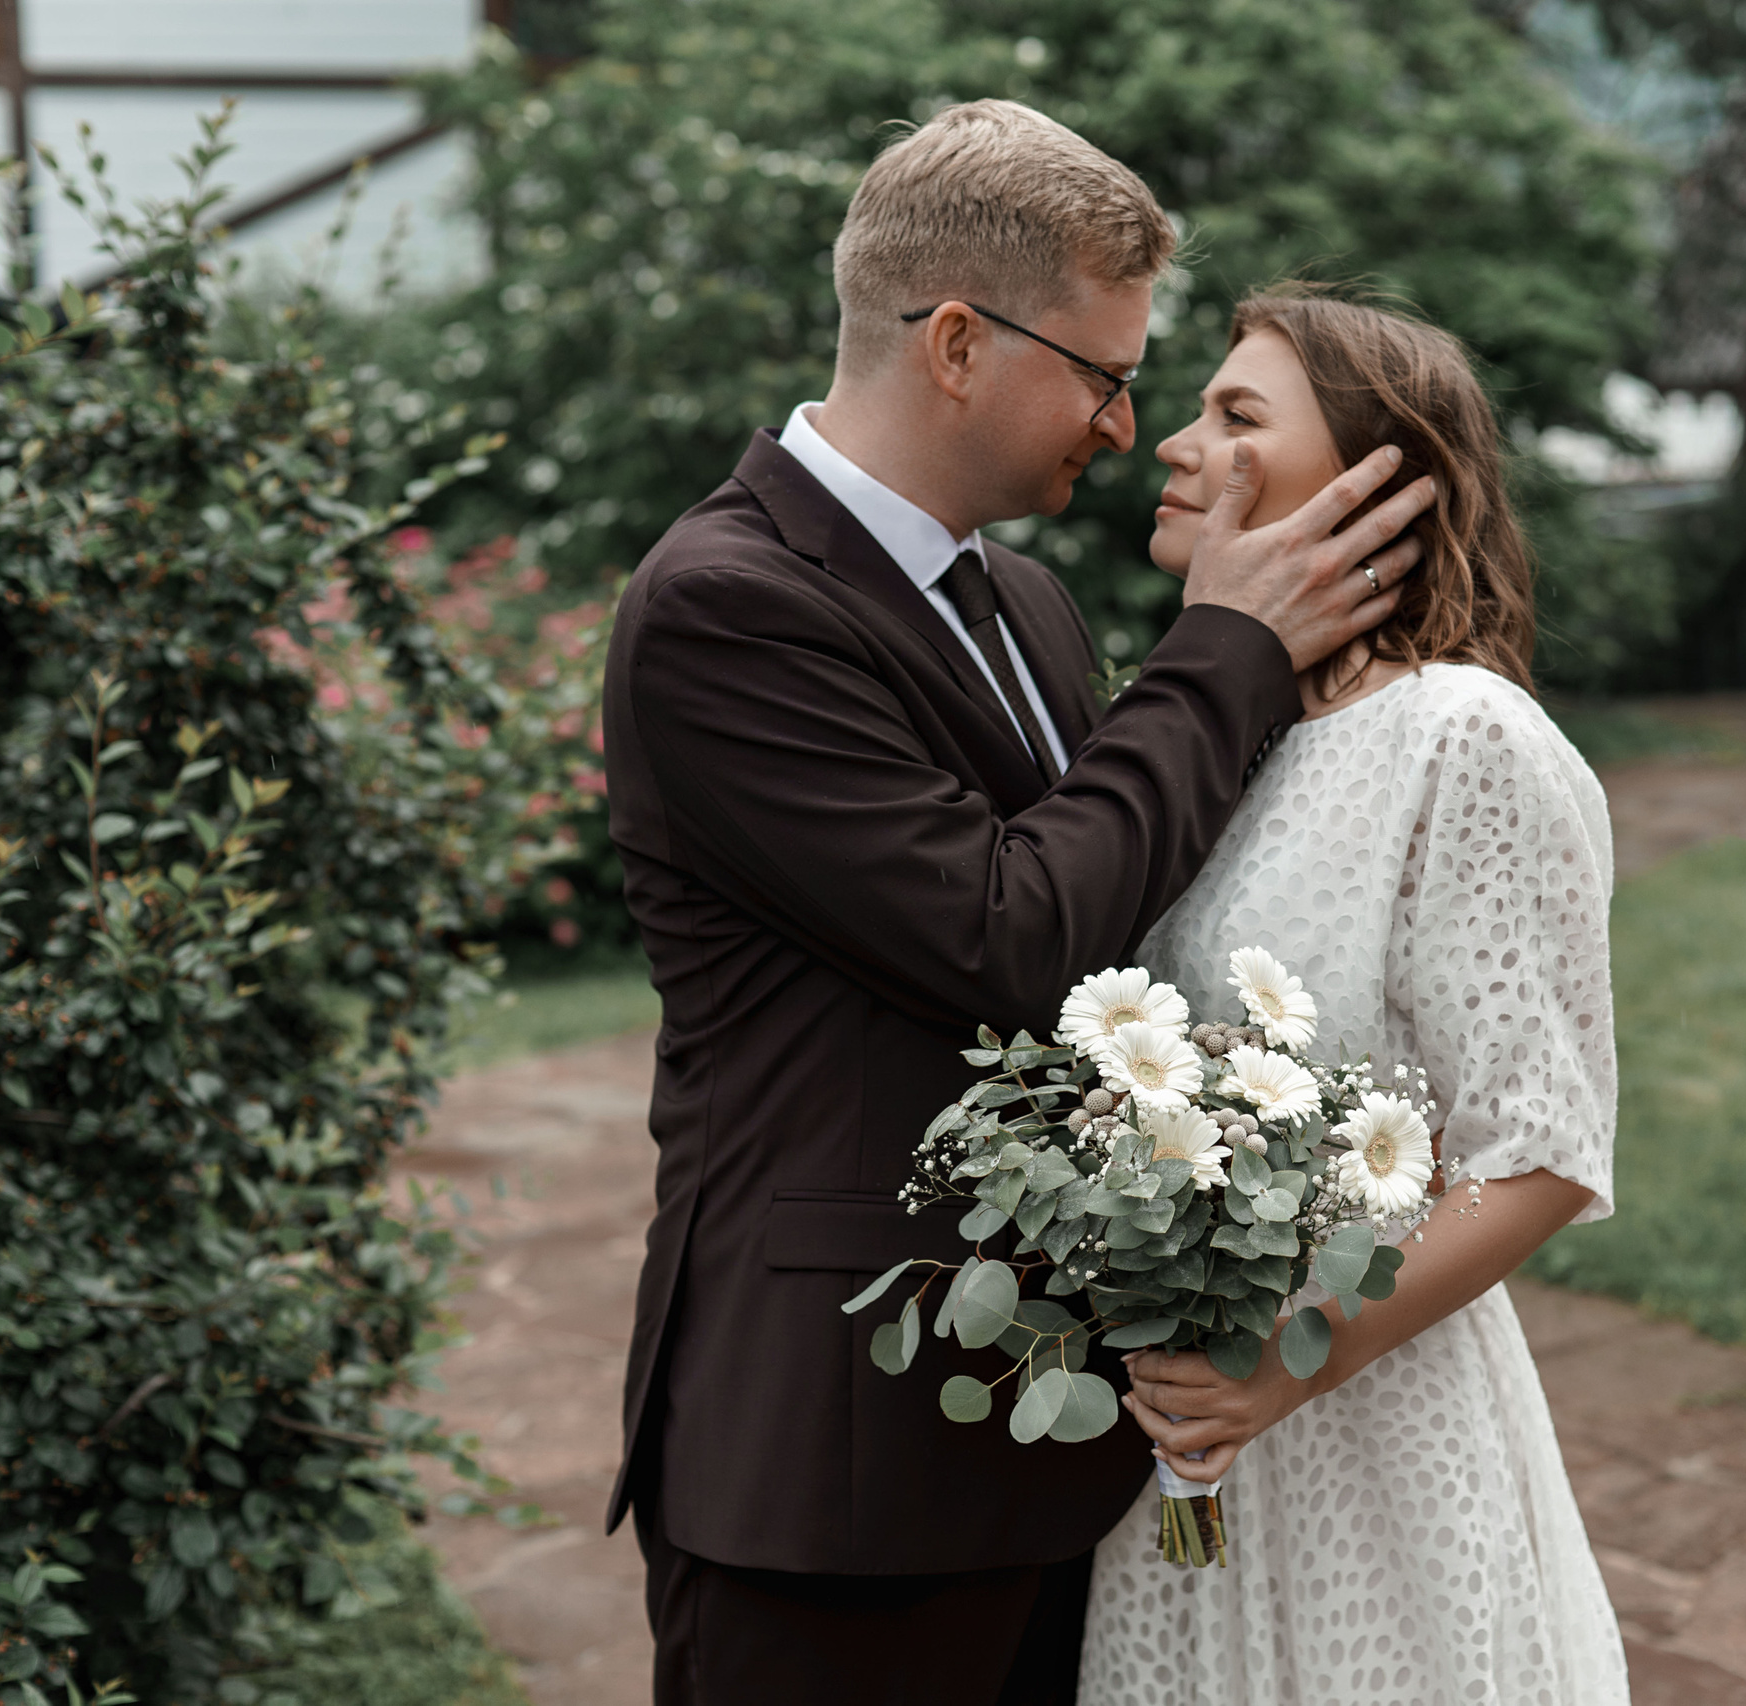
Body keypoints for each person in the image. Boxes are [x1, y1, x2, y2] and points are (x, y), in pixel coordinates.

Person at [597, 105, 1435, 1706]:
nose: (1125, 429)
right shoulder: (725, 607)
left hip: (1046, 1432)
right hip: (833, 1461)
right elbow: (1006, 936)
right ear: (962, 343)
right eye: (1105, 375)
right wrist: (1228, 654)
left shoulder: (1027, 598)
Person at [1077, 291, 1630, 1705]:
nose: (1175, 447)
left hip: (1364, 1421)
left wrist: (1284, 1363)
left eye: (1237, 418)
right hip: (1192, 1438)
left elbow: (1542, 1152)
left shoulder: (1466, 738)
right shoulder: (1221, 736)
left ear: (1379, 486)